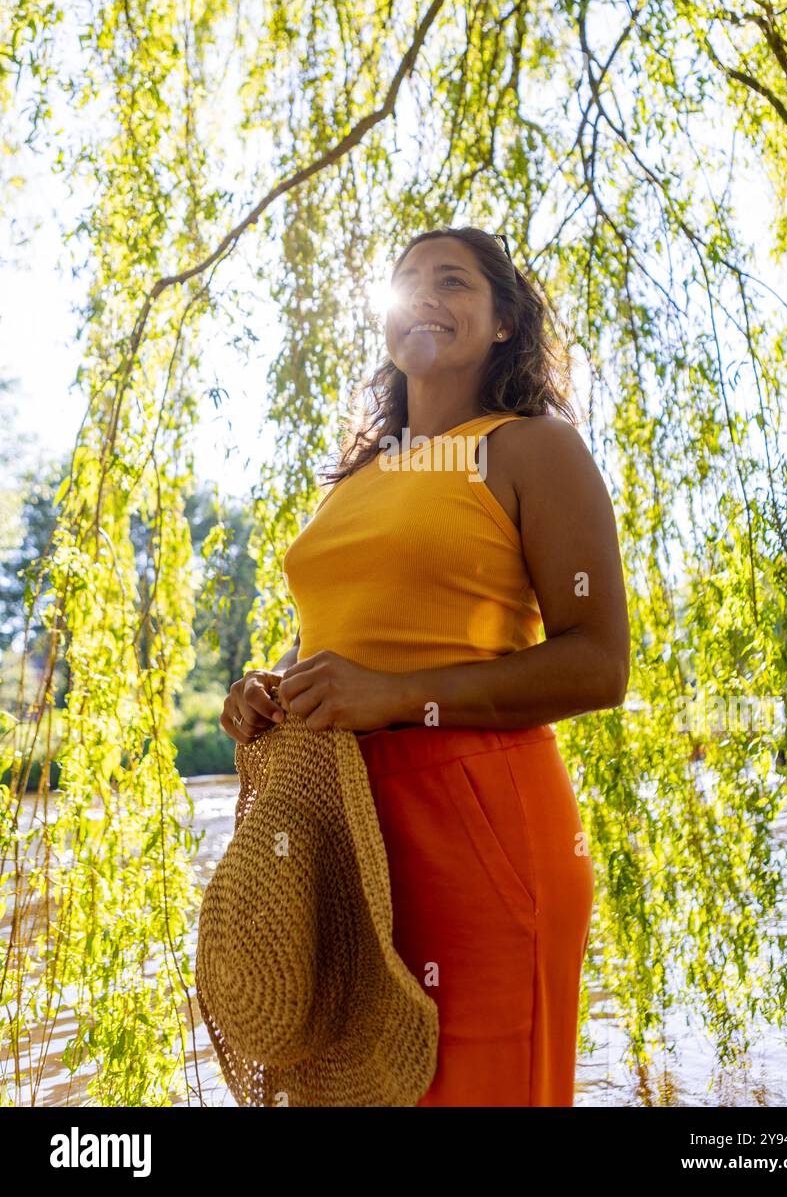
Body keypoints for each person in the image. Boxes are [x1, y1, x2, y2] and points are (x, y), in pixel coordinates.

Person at [219, 226, 631, 1107]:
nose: (425, 297)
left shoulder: (532, 448)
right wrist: (272, 689)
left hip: (474, 818)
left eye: (454, 282)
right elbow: (341, 635)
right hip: (342, 825)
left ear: (505, 324)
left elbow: (599, 665)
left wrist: (398, 696)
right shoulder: (358, 476)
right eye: (407, 280)